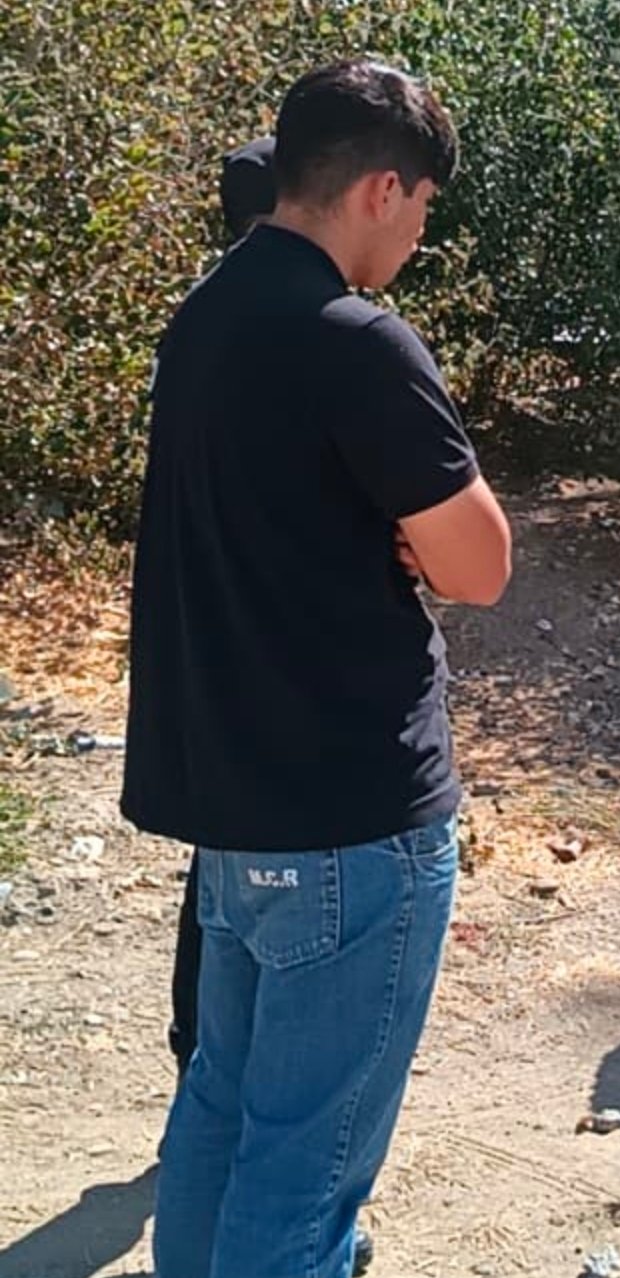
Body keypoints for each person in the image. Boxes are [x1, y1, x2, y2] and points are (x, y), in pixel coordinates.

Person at [122, 60, 512, 1278]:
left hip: (237, 806)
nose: (420, 234)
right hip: (351, 815)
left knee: (222, 1113)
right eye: (424, 206)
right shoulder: (356, 338)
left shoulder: (206, 315)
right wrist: (411, 533)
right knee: (303, 1177)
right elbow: (481, 564)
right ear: (384, 189)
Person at [168, 136, 280, 1087]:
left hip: (207, 642)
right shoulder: (304, 323)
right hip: (272, 653)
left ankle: (197, 1053)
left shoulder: (199, 319)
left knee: (218, 874)